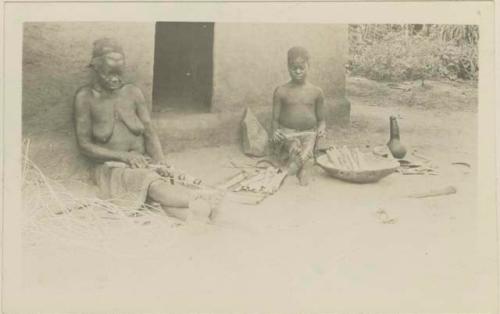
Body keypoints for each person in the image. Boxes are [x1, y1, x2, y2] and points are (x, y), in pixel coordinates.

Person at [74, 38, 221, 222]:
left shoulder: (133, 93)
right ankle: (201, 200)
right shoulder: (85, 98)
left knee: (159, 186)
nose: (115, 79)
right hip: (112, 168)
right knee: (150, 183)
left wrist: (161, 162)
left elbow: (149, 132)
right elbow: (84, 145)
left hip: (145, 163)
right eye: (109, 73)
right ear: (95, 68)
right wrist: (124, 157)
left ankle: (197, 216)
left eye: (119, 74)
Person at [271, 46, 327, 186]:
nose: (297, 71)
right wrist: (275, 131)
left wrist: (321, 128)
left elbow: (321, 120)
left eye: (302, 67)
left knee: (307, 147)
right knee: (295, 148)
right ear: (288, 67)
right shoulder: (281, 91)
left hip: (309, 133)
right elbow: (275, 120)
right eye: (293, 67)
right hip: (288, 134)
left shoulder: (317, 92)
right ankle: (300, 168)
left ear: (309, 66)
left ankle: (294, 169)